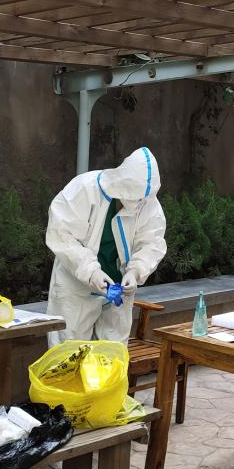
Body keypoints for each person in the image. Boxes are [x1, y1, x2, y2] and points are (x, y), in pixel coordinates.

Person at [45, 148, 167, 345]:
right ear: (123, 184)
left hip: (119, 291)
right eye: (134, 197)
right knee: (69, 352)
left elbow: (152, 243)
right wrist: (91, 271)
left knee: (112, 354)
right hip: (75, 287)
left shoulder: (148, 203)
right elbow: (61, 235)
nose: (138, 203)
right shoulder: (84, 189)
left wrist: (135, 271)